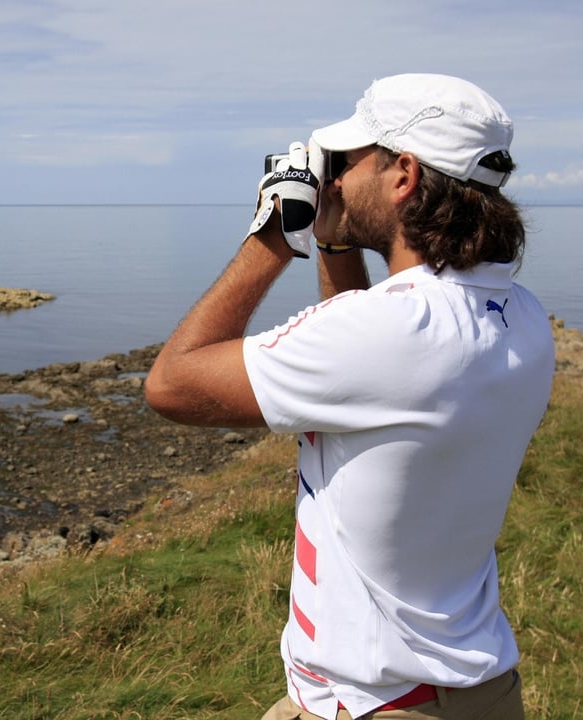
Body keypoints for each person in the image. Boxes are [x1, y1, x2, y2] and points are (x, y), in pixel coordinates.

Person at [144, 73, 555, 720]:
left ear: (403, 175)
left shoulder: (388, 332)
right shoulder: (521, 317)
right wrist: (333, 241)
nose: (332, 180)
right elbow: (364, 373)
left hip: (370, 701)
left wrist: (277, 230)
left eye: (346, 162)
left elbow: (171, 384)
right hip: (478, 691)